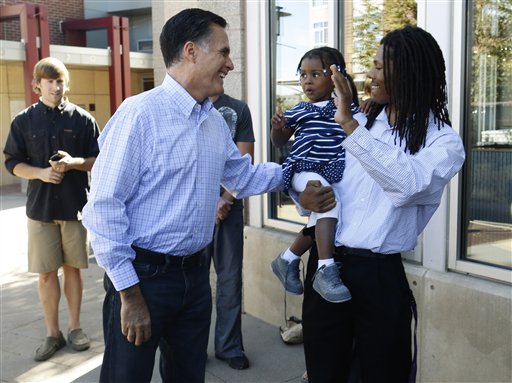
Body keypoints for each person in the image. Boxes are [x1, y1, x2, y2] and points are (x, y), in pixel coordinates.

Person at [81, 8, 282, 383]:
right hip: (143, 280)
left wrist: (293, 173)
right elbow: (104, 210)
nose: (231, 64)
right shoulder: (139, 115)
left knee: (188, 376)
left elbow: (242, 177)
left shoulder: (213, 121)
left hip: (194, 277)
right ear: (191, 52)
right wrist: (129, 295)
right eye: (223, 52)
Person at [297, 26, 465, 382]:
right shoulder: (363, 122)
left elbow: (407, 185)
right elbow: (326, 180)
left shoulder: (443, 143)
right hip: (327, 264)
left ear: (408, 73)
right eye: (371, 65)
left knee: (381, 374)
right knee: (324, 371)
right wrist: (303, 197)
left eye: (379, 66)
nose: (369, 75)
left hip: (379, 276)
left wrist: (351, 127)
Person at [3, 57, 99, 361]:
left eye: (60, 81)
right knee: (46, 274)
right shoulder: (23, 121)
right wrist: (41, 173)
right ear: (37, 85)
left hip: (74, 207)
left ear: (66, 83)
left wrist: (74, 164)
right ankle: (52, 334)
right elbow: (12, 163)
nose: (55, 87)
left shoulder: (83, 119)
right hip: (40, 209)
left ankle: (74, 328)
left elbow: (99, 159)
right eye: (49, 81)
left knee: (73, 269)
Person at [270, 47, 359, 303]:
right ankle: (325, 267)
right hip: (302, 167)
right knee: (327, 199)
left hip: (329, 169)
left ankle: (286, 260)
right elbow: (279, 142)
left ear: (335, 77)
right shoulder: (299, 110)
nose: (307, 81)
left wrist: (365, 104)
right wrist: (277, 128)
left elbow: (359, 123)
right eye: (303, 75)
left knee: (321, 214)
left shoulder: (345, 107)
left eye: (315, 74)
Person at [205, 93, 254, 370]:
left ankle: (229, 346)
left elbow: (245, 160)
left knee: (230, 280)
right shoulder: (190, 105)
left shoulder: (238, 109)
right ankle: (192, 347)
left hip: (230, 207)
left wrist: (225, 198)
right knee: (193, 282)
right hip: (194, 207)